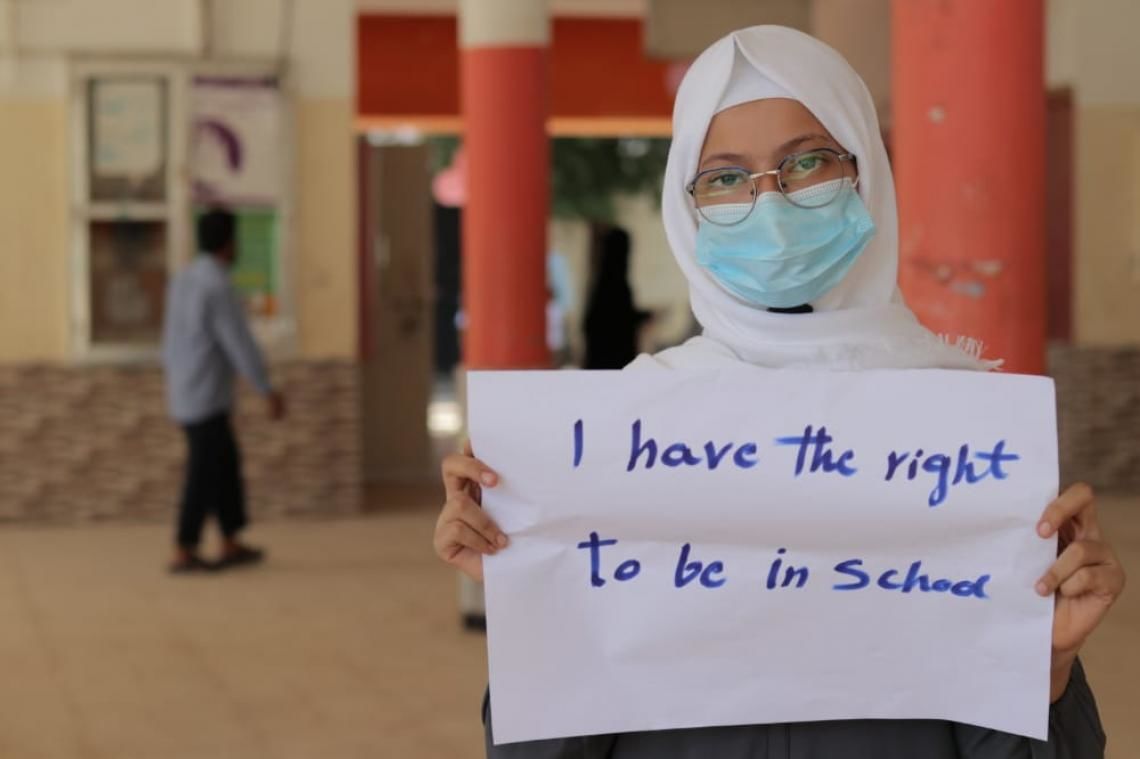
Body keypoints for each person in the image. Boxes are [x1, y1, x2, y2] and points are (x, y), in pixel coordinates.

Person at [433, 26, 1125, 758]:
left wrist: (1044, 665)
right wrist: (537, 592)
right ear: (687, 206)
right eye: (725, 177)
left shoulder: (962, 439)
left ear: (865, 171)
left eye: (807, 163)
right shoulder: (619, 443)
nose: (772, 204)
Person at [162, 207, 285, 574]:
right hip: (204, 396)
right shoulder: (217, 286)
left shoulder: (185, 279)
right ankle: (184, 547)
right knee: (204, 471)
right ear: (230, 243)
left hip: (186, 388)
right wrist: (266, 388)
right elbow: (239, 344)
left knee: (225, 464)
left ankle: (231, 540)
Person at [582, 227, 652, 369]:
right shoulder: (617, 283)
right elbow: (620, 319)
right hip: (616, 358)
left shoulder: (601, 280)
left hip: (598, 358)